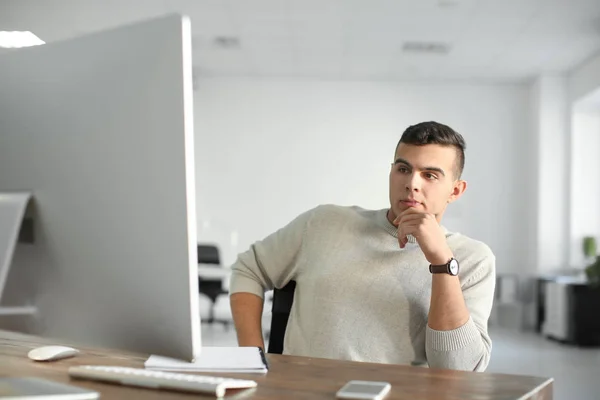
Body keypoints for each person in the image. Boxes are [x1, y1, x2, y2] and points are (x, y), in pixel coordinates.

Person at [228, 121, 495, 372]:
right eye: (403, 169)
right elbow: (249, 269)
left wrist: (442, 263)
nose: (412, 184)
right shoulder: (324, 222)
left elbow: (457, 371)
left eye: (430, 175)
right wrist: (252, 360)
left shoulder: (472, 259)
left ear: (455, 191)